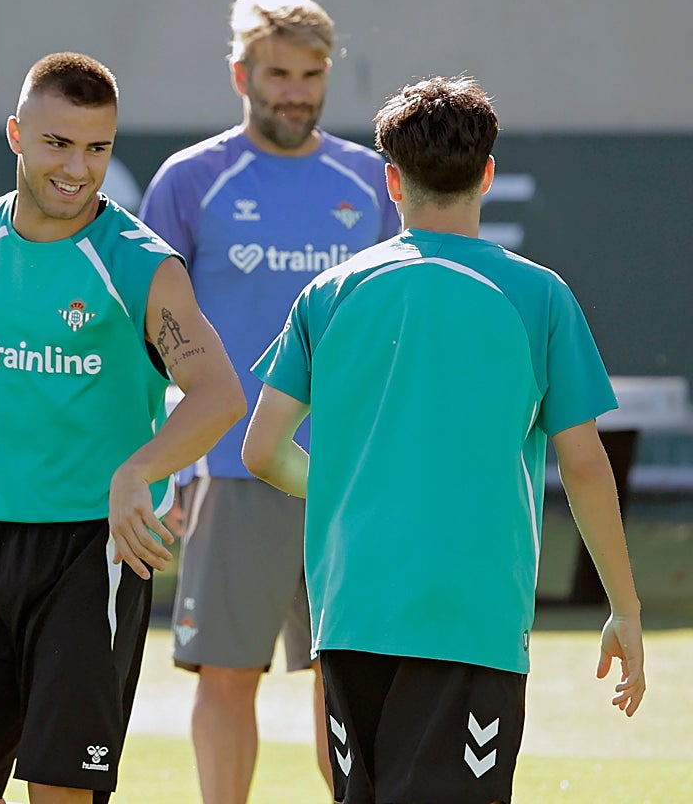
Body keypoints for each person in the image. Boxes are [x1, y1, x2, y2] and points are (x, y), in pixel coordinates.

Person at [242, 76, 646, 803]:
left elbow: (261, 451)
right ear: (487, 173)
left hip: (350, 614)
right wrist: (625, 606)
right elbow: (585, 468)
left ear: (390, 181)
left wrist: (348, 483)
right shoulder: (540, 296)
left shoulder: (328, 294)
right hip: (471, 618)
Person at [0, 52, 245, 804]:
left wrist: (135, 473)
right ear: (17, 135)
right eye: (58, 143)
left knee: (58, 791)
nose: (78, 169)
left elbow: (217, 396)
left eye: (98, 148)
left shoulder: (144, 265)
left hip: (93, 552)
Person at [138, 0, 399, 801]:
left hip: (346, 479)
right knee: (224, 677)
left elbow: (396, 334)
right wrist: (166, 470)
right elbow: (149, 342)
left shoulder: (372, 181)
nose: (297, 90)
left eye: (312, 74)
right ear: (240, 73)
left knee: (350, 681)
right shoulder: (190, 181)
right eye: (279, 73)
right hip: (228, 473)